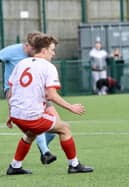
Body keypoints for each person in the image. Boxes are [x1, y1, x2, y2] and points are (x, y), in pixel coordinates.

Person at [6, 34, 93, 175]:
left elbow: (11, 92)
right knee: (64, 128)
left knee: (30, 134)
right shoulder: (48, 67)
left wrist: (11, 114)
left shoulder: (21, 64)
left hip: (17, 115)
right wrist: (71, 107)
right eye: (52, 49)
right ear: (44, 50)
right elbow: (51, 95)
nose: (54, 53)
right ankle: (74, 165)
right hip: (31, 116)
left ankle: (15, 166)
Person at [0, 32, 58, 165]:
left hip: (37, 92)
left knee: (55, 124)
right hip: (15, 91)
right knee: (37, 119)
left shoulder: (37, 57)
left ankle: (41, 147)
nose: (36, 53)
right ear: (27, 46)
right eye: (34, 49)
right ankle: (45, 152)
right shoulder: (12, 51)